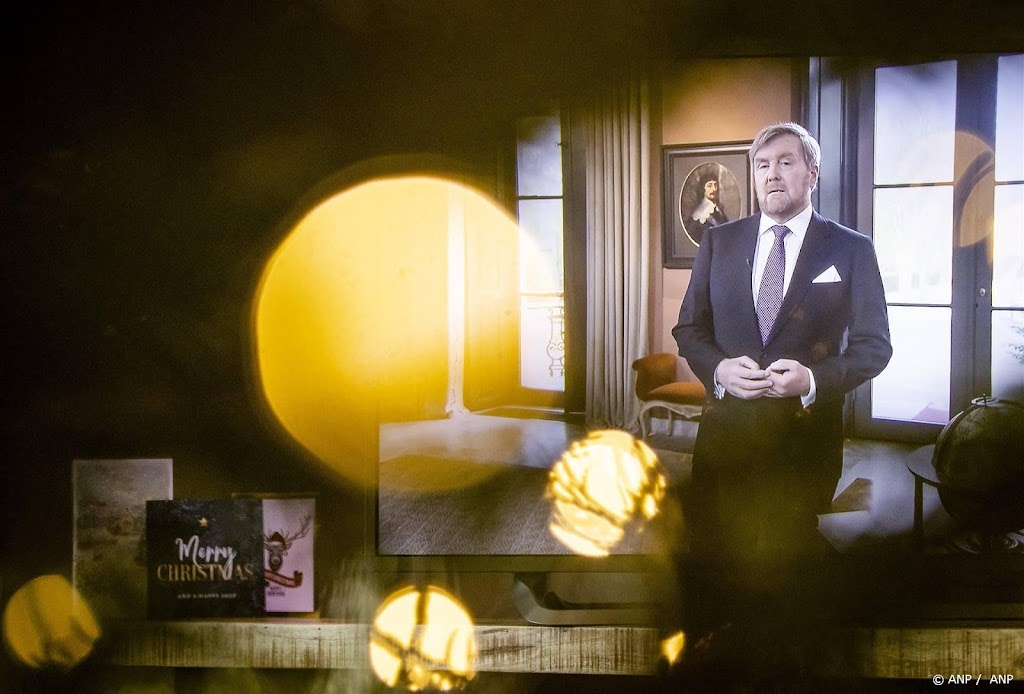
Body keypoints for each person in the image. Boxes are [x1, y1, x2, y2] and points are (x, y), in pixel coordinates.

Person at [671, 122, 893, 643]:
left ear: (812, 173)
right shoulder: (719, 242)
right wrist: (719, 370)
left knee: (789, 568)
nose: (772, 174)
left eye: (786, 162)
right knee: (718, 556)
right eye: (763, 165)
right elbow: (689, 329)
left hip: (803, 444)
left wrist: (812, 379)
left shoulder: (851, 249)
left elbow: (874, 347)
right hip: (725, 439)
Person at [683, 167, 729, 246]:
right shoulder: (698, 216)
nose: (714, 189)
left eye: (715, 185)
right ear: (703, 188)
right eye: (709, 186)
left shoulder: (719, 211)